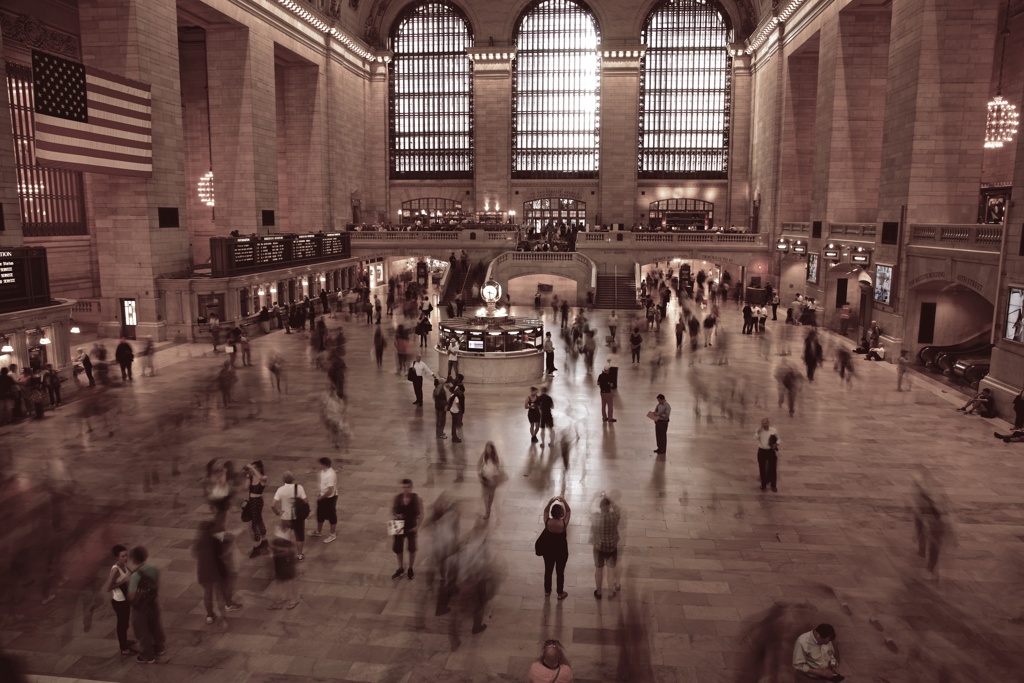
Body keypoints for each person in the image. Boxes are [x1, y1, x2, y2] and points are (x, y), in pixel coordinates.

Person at [193, 519, 242, 625]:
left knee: (207, 593)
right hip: (216, 571)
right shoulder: (214, 541)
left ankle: (210, 616)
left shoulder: (199, 541)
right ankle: (224, 617)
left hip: (203, 571)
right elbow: (223, 555)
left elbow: (194, 554)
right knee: (219, 593)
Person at [127, 546, 166, 664]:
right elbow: (157, 585)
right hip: (153, 602)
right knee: (155, 625)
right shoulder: (154, 568)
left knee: (142, 630)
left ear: (133, 559)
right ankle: (159, 647)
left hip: (140, 607)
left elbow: (132, 596)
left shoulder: (135, 576)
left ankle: (147, 655)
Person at [103, 545, 136, 656]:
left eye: (126, 555)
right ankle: (123, 648)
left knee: (125, 623)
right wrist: (123, 581)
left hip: (125, 599)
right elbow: (108, 588)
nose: (125, 558)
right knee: (122, 624)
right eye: (122, 556)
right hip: (119, 601)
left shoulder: (124, 566)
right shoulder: (115, 570)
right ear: (117, 557)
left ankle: (125, 641)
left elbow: (131, 573)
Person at [538, 496, 571, 599]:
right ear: (561, 514)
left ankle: (547, 591)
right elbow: (569, 511)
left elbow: (545, 511)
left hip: (548, 551)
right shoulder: (563, 524)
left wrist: (550, 502)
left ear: (552, 513)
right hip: (561, 551)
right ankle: (560, 593)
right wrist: (564, 501)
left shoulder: (547, 522)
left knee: (548, 571)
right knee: (560, 572)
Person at [271, 472, 308, 561]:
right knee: (299, 536)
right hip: (298, 517)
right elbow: (305, 501)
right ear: (293, 479)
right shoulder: (299, 488)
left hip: (285, 517)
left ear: (283, 479)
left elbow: (272, 505)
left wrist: (277, 513)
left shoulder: (280, 490)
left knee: (285, 536)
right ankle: (299, 555)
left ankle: (286, 555)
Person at [590, 494, 621, 599]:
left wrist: (594, 496)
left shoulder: (595, 518)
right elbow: (617, 509)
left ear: (600, 508)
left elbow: (588, 509)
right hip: (612, 547)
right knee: (610, 570)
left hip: (598, 548)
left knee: (599, 570)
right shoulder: (614, 517)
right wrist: (609, 497)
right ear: (609, 507)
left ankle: (598, 592)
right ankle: (610, 593)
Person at [391, 479, 423, 579]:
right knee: (397, 548)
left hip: (411, 525)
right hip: (398, 524)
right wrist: (396, 516)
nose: (405, 489)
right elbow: (393, 510)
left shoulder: (416, 498)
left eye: (407, 487)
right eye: (403, 487)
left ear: (411, 487)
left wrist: (417, 527)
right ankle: (400, 567)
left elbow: (421, 514)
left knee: (412, 548)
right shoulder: (397, 498)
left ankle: (410, 568)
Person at [243, 461, 268, 558]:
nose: (252, 470)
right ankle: (264, 541)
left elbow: (261, 478)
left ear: (259, 468)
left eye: (255, 468)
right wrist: (248, 476)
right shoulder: (252, 477)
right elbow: (245, 488)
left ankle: (256, 547)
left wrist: (251, 468)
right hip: (251, 501)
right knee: (259, 520)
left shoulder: (264, 478)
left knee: (254, 524)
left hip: (257, 501)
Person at [310, 457, 338, 543]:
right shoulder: (323, 471)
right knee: (320, 514)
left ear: (325, 465)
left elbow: (330, 490)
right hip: (323, 496)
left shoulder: (331, 474)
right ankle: (318, 531)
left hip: (329, 498)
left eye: (320, 464)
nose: (318, 465)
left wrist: (322, 497)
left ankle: (332, 534)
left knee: (331, 515)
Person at [477, 442, 504, 519]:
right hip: (485, 479)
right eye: (487, 448)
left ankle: (489, 508)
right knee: (485, 496)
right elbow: (479, 464)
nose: (488, 449)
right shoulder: (484, 456)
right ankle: (487, 511)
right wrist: (480, 473)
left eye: (489, 448)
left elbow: (498, 468)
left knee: (490, 496)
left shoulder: (495, 457)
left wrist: (497, 478)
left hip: (493, 479)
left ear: (492, 449)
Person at [755, 417, 780, 492]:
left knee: (773, 468)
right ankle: (763, 484)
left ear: (768, 423)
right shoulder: (759, 430)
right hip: (762, 451)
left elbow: (778, 438)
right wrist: (758, 432)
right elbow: (754, 437)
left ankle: (773, 485)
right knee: (762, 468)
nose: (764, 425)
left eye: (765, 423)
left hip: (770, 451)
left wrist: (776, 444)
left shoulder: (773, 430)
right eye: (763, 423)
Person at [447, 375, 466, 442]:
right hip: (456, 410)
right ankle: (454, 436)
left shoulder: (455, 393)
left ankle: (459, 423)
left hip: (455, 408)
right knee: (454, 424)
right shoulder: (455, 397)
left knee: (454, 423)